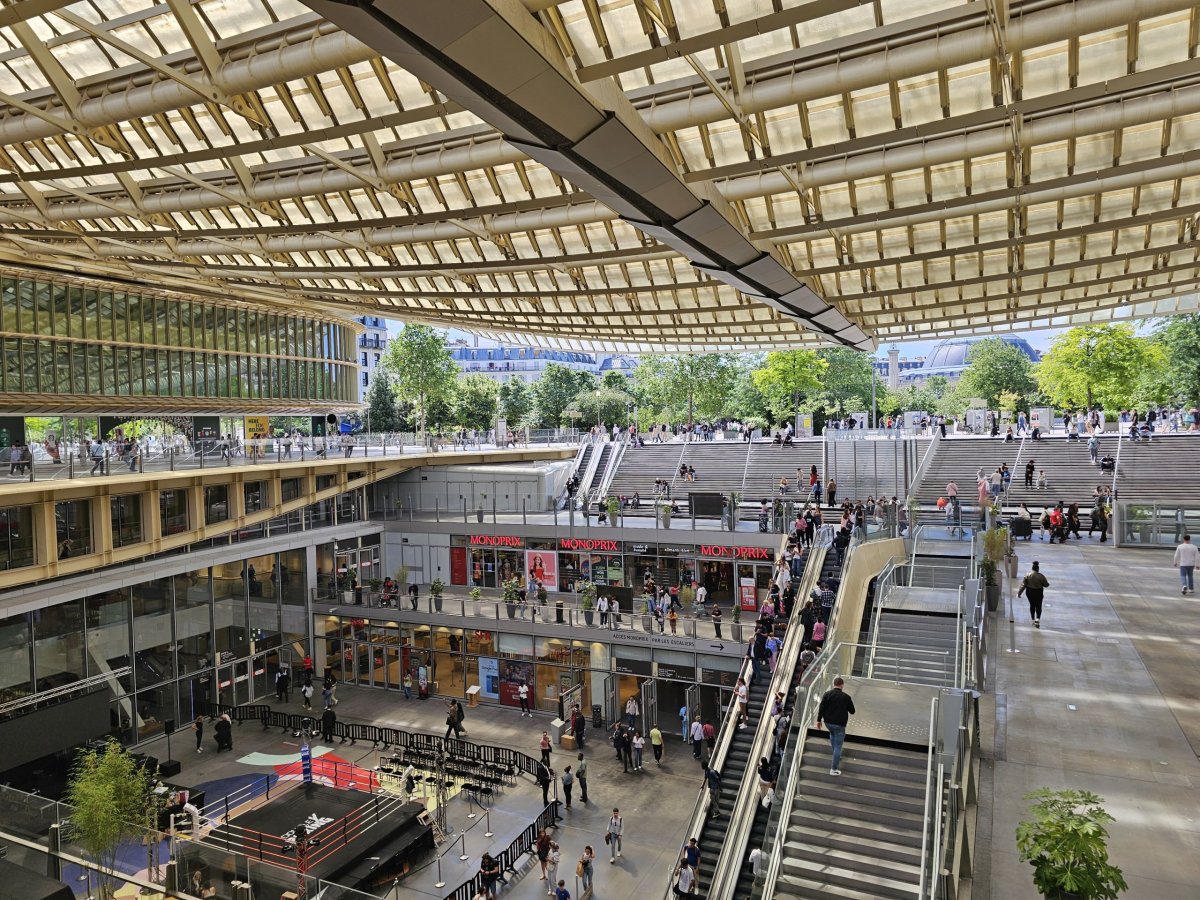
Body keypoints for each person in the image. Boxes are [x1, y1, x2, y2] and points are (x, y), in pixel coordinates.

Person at [816, 677, 855, 775]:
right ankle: (833, 769)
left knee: (833, 735)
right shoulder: (846, 697)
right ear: (842, 685)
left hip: (828, 723)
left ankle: (836, 755)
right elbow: (852, 711)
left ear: (834, 684)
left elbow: (821, 707)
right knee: (838, 746)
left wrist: (818, 720)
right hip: (840, 725)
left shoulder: (827, 694)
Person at [1018, 560, 1050, 627]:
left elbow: (1023, 585)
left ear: (1032, 568)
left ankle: (1032, 619)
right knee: (1038, 605)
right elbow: (1046, 585)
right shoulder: (1041, 576)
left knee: (1032, 605)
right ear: (1038, 569)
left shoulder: (1027, 575)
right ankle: (1037, 619)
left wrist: (1019, 593)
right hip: (1038, 592)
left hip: (1029, 592)